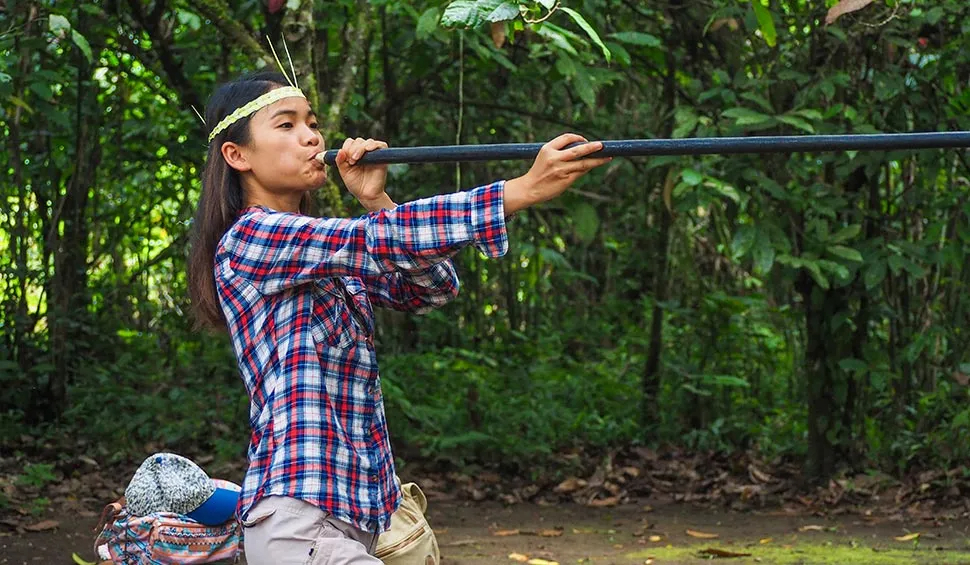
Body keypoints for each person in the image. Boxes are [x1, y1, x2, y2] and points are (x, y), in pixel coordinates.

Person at [186, 70, 611, 564]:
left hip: (355, 521)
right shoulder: (251, 239)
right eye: (286, 125)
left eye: (312, 122)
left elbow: (431, 288)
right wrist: (521, 190)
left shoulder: (324, 256)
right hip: (296, 524)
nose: (311, 137)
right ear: (237, 156)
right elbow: (370, 242)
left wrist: (374, 200)